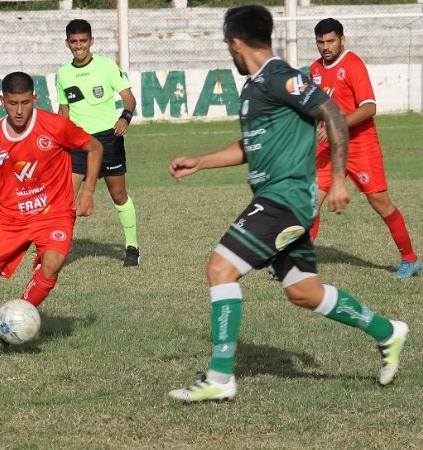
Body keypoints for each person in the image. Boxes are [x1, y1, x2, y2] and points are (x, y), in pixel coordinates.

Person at [166, 5, 408, 402]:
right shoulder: (257, 86)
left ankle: (220, 377)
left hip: (287, 199)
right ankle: (388, 331)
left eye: (228, 44)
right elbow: (252, 145)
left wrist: (341, 178)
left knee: (220, 268)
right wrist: (202, 161)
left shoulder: (282, 78)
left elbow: (331, 112)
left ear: (236, 42)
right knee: (304, 292)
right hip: (276, 198)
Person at [0, 72, 102, 353]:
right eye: (12, 103)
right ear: (2, 100)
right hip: (11, 218)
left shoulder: (54, 125)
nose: (19, 110)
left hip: (54, 212)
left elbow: (94, 147)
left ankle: (15, 321)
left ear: (34, 99)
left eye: (25, 103)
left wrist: (87, 191)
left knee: (53, 262)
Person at [310, 18, 419, 279]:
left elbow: (369, 107)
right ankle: (298, 261)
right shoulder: (314, 69)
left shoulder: (353, 64)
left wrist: (336, 123)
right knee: (309, 201)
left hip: (360, 145)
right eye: (321, 42)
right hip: (329, 147)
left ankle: (410, 258)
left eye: (331, 41)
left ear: (342, 40)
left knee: (380, 203)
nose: (326, 47)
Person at [56, 19, 141, 267]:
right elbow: (63, 110)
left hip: (108, 139)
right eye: (74, 42)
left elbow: (129, 99)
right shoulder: (63, 73)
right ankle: (55, 248)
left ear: (91, 41)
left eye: (83, 41)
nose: (79, 46)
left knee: (118, 195)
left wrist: (125, 117)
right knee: (65, 199)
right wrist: (60, 140)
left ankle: (132, 247)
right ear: (67, 43)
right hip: (79, 142)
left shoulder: (106, 66)